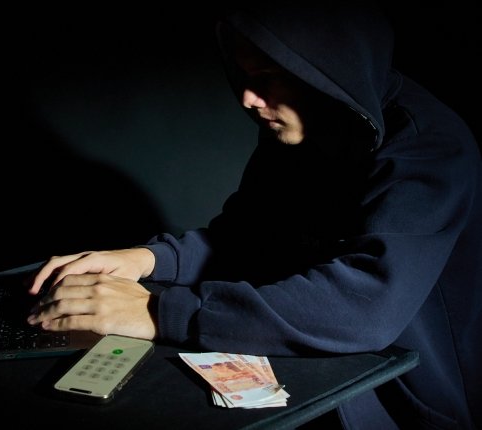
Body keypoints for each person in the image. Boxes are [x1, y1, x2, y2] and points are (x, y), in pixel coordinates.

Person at [26, 2, 481, 429]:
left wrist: (155, 312)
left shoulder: (428, 148)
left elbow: (363, 308)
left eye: (268, 77)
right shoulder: (305, 124)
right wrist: (146, 260)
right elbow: (248, 236)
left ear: (330, 73)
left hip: (402, 400)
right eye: (244, 75)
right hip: (321, 370)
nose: (247, 98)